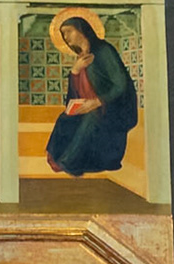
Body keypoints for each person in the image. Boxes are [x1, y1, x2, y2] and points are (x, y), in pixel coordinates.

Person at [45, 16, 137, 177]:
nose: (66, 37)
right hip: (88, 106)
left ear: (82, 30)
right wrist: (75, 71)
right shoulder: (81, 57)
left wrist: (97, 101)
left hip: (112, 107)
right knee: (64, 118)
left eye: (69, 31)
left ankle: (70, 162)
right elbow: (73, 95)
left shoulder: (103, 50)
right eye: (63, 34)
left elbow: (121, 84)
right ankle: (57, 158)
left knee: (91, 118)